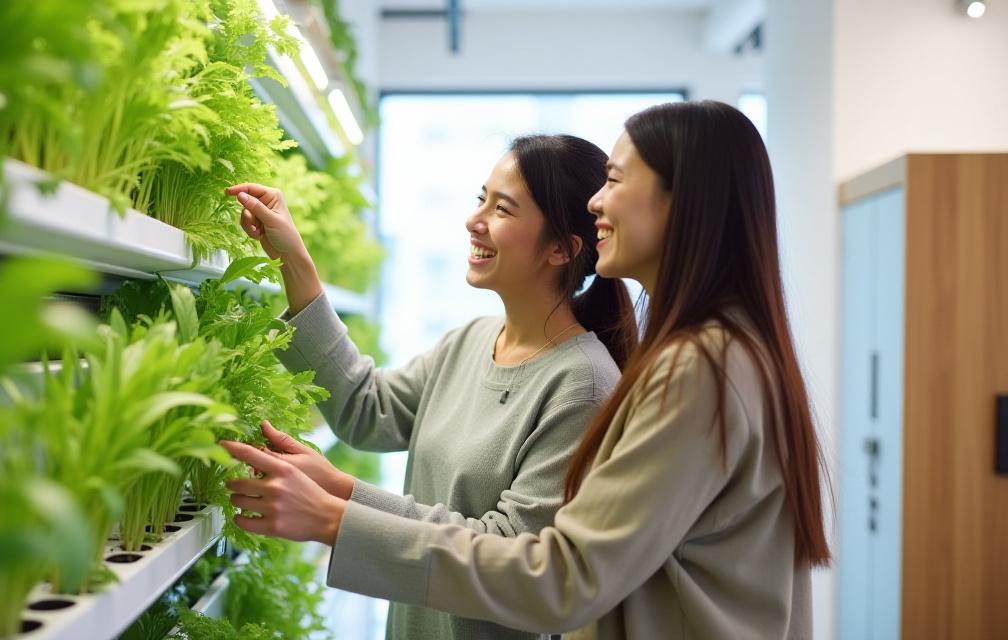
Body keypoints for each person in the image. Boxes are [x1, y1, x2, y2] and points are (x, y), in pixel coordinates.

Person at [221, 100, 832, 640]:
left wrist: (336, 517)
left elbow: (560, 574)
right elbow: (368, 410)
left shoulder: (686, 372)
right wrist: (341, 494)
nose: (598, 199)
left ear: (684, 204)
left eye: (616, 179)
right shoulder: (719, 355)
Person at [224, 134, 636, 640]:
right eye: (480, 198)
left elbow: (509, 552)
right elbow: (366, 408)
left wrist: (337, 512)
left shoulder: (583, 386)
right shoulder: (471, 340)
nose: (474, 220)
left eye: (502, 209)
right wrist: (295, 262)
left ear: (561, 249)